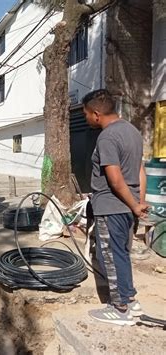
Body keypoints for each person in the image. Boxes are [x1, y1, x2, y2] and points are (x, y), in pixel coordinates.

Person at [82, 89, 149, 326]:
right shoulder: (132, 132)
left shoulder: (108, 137)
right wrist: (138, 202)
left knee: (108, 254)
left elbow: (115, 179)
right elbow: (140, 171)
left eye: (86, 114)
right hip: (126, 207)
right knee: (121, 252)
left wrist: (134, 204)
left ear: (97, 114)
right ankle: (130, 300)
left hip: (111, 206)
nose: (86, 118)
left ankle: (120, 308)